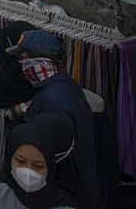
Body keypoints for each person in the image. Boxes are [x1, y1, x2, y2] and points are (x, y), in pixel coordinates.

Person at [7, 30, 100, 208]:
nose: (21, 63)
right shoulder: (64, 86)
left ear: (39, 61)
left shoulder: (53, 101)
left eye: (23, 56)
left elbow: (56, 154)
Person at [0, 114, 77, 209]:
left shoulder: (64, 207)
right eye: (20, 161)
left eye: (38, 166)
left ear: (50, 168)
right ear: (9, 158)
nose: (28, 172)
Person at [0, 21, 36, 113]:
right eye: (23, 49)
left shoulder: (33, 66)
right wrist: (23, 108)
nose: (27, 54)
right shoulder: (0, 74)